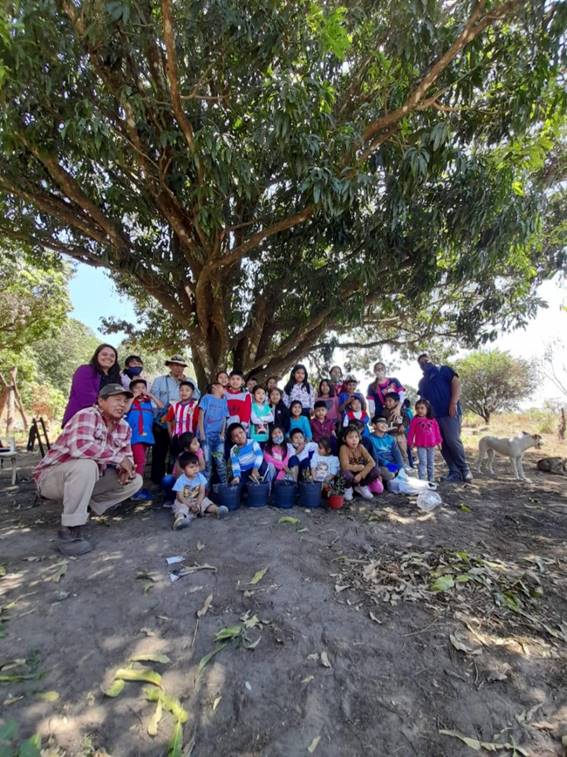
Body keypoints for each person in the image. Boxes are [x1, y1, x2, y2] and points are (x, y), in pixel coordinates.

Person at [34, 383, 142, 556]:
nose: (122, 404)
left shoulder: (124, 427)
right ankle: (70, 532)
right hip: (51, 479)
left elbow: (126, 457)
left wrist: (125, 470)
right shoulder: (87, 415)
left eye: (125, 401)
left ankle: (82, 507)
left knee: (135, 480)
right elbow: (80, 447)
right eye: (117, 399)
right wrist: (119, 459)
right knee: (86, 465)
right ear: (101, 401)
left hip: (86, 479)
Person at [417, 352, 473, 482]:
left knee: (452, 440)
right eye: (421, 363)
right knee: (442, 443)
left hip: (450, 412)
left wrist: (453, 403)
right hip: (434, 417)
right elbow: (423, 400)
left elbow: (456, 383)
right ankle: (454, 471)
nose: (424, 363)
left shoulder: (444, 370)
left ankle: (465, 469)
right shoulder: (422, 382)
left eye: (426, 360)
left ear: (431, 359)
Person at [150, 356, 199, 485]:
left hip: (183, 425)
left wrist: (187, 383)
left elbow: (197, 397)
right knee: (159, 452)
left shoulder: (189, 381)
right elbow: (153, 401)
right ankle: (158, 482)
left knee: (177, 455)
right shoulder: (159, 380)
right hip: (162, 421)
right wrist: (161, 415)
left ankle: (176, 481)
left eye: (181, 366)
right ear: (170, 366)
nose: (178, 368)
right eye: (175, 365)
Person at [62, 343, 121, 427]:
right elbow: (86, 396)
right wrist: (108, 411)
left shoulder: (117, 379)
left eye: (112, 356)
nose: (108, 357)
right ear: (97, 356)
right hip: (81, 419)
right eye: (104, 354)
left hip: (107, 423)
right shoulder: (85, 370)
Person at [125, 378, 163, 501]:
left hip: (146, 437)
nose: (140, 390)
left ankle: (134, 489)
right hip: (133, 437)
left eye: (143, 387)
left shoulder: (149, 402)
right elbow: (125, 410)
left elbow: (161, 406)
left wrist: (151, 395)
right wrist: (133, 397)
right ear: (132, 391)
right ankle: (136, 492)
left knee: (140, 462)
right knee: (140, 462)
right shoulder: (129, 402)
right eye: (137, 388)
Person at [171, 452, 228, 530]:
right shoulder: (181, 480)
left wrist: (198, 503)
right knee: (181, 507)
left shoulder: (200, 477)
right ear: (183, 470)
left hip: (197, 499)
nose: (195, 469)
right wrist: (189, 505)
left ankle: (217, 510)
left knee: (206, 502)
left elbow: (202, 492)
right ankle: (180, 519)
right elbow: (180, 497)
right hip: (184, 501)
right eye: (191, 467)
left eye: (197, 466)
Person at [339, 426, 383, 501]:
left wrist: (361, 475)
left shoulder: (361, 447)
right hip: (350, 473)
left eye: (356, 437)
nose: (354, 439)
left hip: (361, 474)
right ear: (344, 439)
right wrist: (357, 467)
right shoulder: (343, 448)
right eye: (350, 437)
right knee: (345, 474)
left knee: (376, 470)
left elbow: (372, 462)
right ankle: (348, 488)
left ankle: (362, 486)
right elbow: (345, 466)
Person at [198, 381, 229, 484]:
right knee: (207, 463)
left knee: (220, 462)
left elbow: (224, 418)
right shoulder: (206, 398)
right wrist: (202, 433)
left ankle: (225, 486)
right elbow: (201, 415)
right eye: (222, 387)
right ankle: (205, 489)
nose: (224, 389)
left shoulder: (224, 401)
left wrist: (222, 433)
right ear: (214, 387)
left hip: (218, 437)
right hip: (206, 436)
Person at [407, 399, 442, 482]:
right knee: (423, 462)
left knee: (430, 463)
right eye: (417, 408)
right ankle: (422, 480)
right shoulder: (415, 420)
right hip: (421, 446)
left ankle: (431, 480)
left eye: (422, 408)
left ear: (427, 408)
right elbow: (411, 432)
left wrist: (439, 442)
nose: (419, 410)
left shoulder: (432, 420)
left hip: (431, 445)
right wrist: (410, 442)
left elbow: (437, 431)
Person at [164, 380, 200, 456]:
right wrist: (170, 434)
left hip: (190, 438)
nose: (184, 392)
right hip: (176, 437)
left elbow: (198, 423)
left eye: (187, 390)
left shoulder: (195, 407)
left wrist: (196, 436)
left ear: (193, 393)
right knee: (176, 457)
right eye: (181, 390)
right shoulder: (174, 406)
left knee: (188, 457)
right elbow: (168, 420)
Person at [368, 416, 404, 480]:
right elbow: (373, 455)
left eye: (385, 423)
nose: (384, 424)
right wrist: (387, 463)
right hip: (380, 464)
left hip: (392, 463)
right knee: (390, 475)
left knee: (407, 472)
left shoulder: (391, 438)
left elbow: (397, 453)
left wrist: (399, 465)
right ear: (374, 425)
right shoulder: (369, 439)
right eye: (381, 422)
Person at [382, 392, 409, 464]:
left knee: (403, 452)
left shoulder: (401, 410)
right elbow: (383, 422)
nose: (387, 403)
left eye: (390, 401)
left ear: (396, 402)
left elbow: (407, 419)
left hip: (400, 435)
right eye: (386, 401)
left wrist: (403, 425)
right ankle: (396, 468)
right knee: (393, 453)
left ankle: (406, 466)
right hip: (389, 436)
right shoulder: (384, 412)